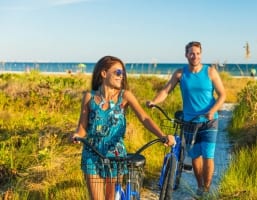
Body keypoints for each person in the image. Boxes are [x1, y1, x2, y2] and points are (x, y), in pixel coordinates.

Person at [71, 55, 175, 200]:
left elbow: (144, 118)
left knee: (111, 198)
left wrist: (162, 135)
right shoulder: (89, 97)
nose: (122, 76)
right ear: (104, 73)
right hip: (92, 153)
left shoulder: (125, 96)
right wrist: (76, 135)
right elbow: (82, 128)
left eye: (123, 73)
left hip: (116, 155)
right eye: (118, 72)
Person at [146, 41, 226, 196]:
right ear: (186, 55)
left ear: (201, 54)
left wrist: (213, 110)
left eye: (197, 53)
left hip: (210, 120)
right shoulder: (180, 73)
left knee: (208, 154)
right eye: (191, 53)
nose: (194, 56)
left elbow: (222, 95)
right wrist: (154, 101)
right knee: (195, 155)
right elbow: (166, 91)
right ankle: (200, 185)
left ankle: (207, 189)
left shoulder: (210, 72)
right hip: (189, 122)